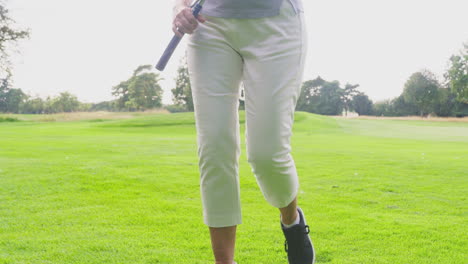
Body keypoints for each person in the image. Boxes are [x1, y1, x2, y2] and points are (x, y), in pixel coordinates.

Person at [172, 0, 315, 263]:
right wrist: (179, 8)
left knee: (267, 154)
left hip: (277, 24)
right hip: (207, 26)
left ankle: (292, 221)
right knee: (214, 148)